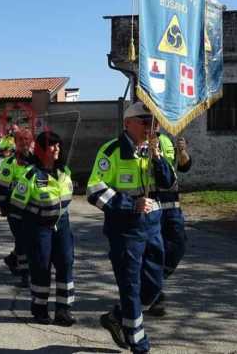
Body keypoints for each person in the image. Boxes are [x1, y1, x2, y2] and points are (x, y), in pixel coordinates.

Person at [86, 101, 176, 354]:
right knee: (131, 287)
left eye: (153, 123)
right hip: (125, 230)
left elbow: (168, 183)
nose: (150, 128)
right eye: (145, 122)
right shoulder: (112, 150)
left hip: (153, 227)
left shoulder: (152, 150)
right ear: (128, 123)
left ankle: (116, 316)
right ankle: (138, 342)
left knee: (154, 284)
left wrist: (158, 158)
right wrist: (129, 204)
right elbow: (94, 189)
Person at [10, 131, 76, 326]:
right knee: (41, 267)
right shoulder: (30, 175)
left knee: (65, 263)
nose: (56, 149)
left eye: (58, 145)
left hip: (62, 225)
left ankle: (63, 310)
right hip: (38, 227)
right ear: (41, 150)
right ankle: (39, 308)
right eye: (51, 146)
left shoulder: (65, 172)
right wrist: (24, 237)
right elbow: (16, 210)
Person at [144, 131, 192, 317]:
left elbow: (184, 167)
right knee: (153, 251)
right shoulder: (141, 140)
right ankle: (155, 294)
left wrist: (183, 152)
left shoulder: (166, 139)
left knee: (177, 247)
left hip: (172, 206)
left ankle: (153, 283)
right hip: (152, 203)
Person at [0, 129, 34, 288]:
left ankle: (12, 259)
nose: (24, 144)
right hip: (15, 210)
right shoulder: (8, 164)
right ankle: (25, 275)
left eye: (27, 140)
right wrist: (3, 207)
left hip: (33, 209)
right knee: (23, 241)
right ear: (16, 144)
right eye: (21, 141)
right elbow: (1, 189)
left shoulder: (37, 160)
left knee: (27, 240)